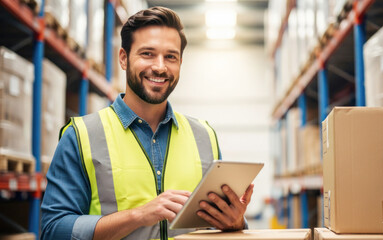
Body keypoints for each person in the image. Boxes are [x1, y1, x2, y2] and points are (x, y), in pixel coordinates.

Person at [41, 6, 254, 240]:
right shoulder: (81, 136)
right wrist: (138, 215)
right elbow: (54, 230)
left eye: (170, 56)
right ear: (124, 58)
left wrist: (235, 222)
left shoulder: (204, 135)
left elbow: (217, 224)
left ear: (180, 62)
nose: (160, 67)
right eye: (147, 54)